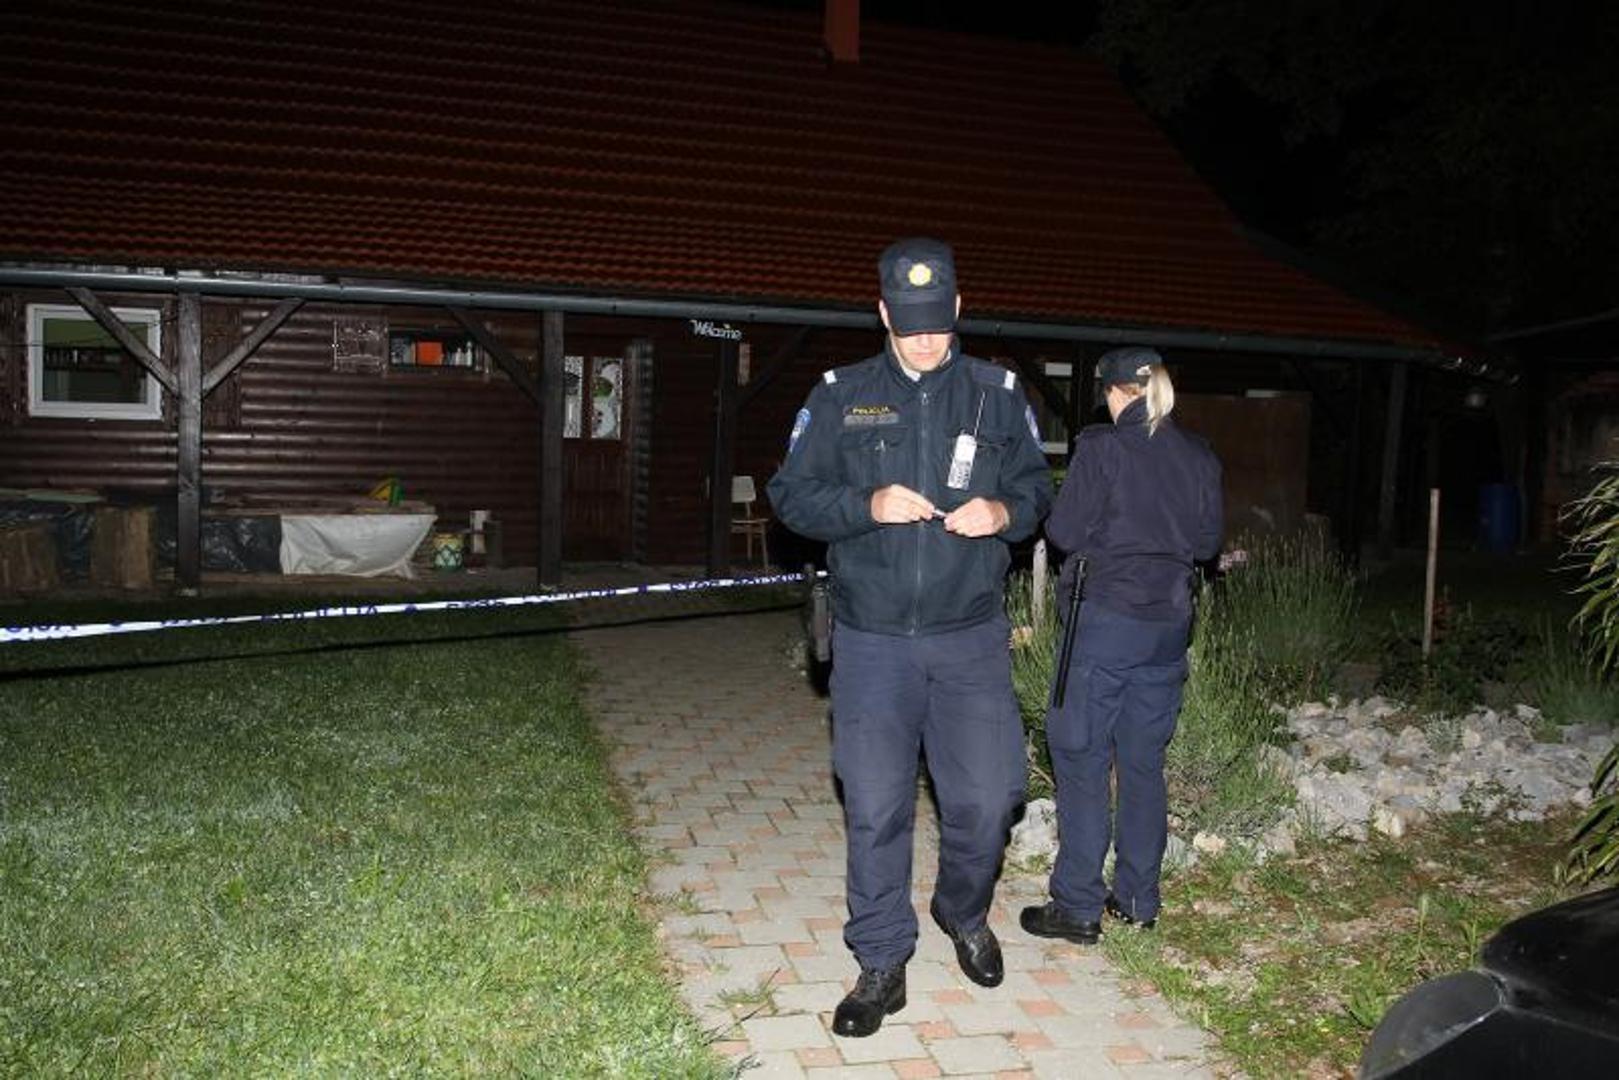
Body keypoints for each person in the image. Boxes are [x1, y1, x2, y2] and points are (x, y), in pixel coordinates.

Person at [768, 237, 1052, 1038]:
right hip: (872, 640)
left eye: (937, 322)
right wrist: (865, 506)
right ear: (883, 313)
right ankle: (880, 959)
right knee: (875, 807)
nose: (925, 339)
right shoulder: (840, 395)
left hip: (969, 639)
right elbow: (791, 495)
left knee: (989, 800)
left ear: (957, 308)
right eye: (908, 323)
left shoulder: (997, 395)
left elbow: (1035, 490)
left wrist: (1003, 511)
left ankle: (961, 910)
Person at [1020, 346, 1222, 945]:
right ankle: (1137, 900)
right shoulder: (1198, 453)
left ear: (1114, 393)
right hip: (1167, 630)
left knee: (1081, 756)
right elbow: (1207, 545)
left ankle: (1077, 906)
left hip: (1104, 626)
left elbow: (1063, 532)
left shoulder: (1102, 448)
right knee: (1142, 763)